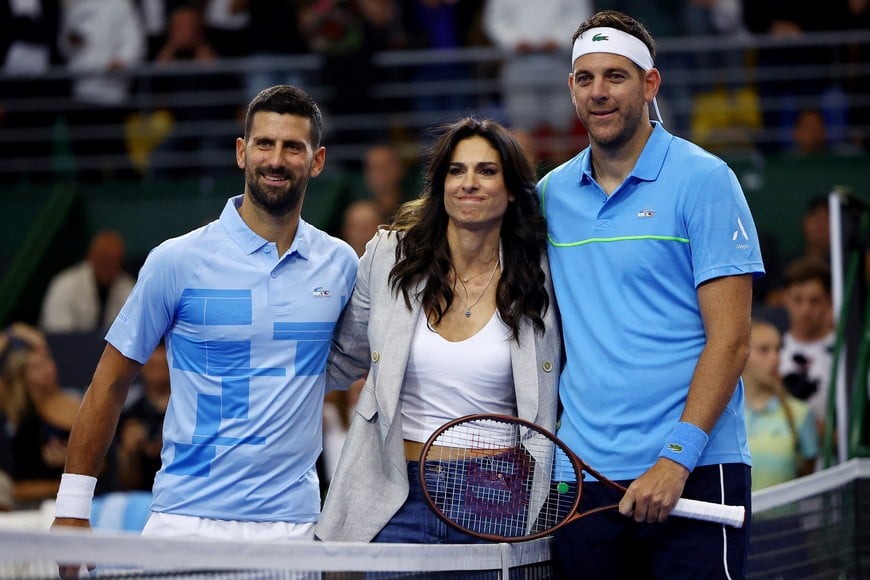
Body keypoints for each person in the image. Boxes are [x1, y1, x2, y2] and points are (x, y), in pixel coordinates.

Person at [51, 85, 359, 574]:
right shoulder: (176, 260)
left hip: (293, 530)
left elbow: (353, 366)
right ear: (242, 152)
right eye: (264, 143)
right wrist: (71, 510)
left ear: (317, 161)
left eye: (292, 147)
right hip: (184, 523)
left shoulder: (341, 264)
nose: (276, 159)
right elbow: (109, 383)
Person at [538, 10, 764, 578]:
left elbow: (732, 340)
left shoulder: (706, 179)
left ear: (650, 83)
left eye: (616, 76)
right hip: (583, 479)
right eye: (585, 78)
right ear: (571, 89)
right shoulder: (549, 195)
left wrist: (676, 459)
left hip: (695, 473)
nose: (599, 92)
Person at [315, 117, 561, 544]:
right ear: (439, 183)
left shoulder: (542, 271)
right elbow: (339, 362)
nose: (469, 182)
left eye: (487, 171)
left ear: (511, 190)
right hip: (394, 489)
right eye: (456, 170)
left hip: (497, 493)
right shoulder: (389, 256)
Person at [744, 319, 818, 491]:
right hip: (737, 517)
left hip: (786, 517)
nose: (775, 358)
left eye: (778, 349)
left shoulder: (800, 413)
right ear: (742, 353)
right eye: (764, 350)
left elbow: (808, 476)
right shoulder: (723, 413)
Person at [778, 257, 835, 437]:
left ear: (829, 300)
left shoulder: (847, 353)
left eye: (814, 301)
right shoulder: (771, 351)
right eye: (798, 300)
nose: (805, 309)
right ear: (785, 299)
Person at [39, 230, 136, 334]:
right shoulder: (65, 284)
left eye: (115, 261)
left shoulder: (129, 288)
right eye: (105, 260)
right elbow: (58, 333)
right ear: (91, 256)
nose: (110, 267)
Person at [114, 341, 170, 492]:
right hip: (143, 497)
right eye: (152, 351)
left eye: (162, 351)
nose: (156, 359)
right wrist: (129, 453)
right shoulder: (129, 414)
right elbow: (126, 482)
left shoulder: (191, 408)